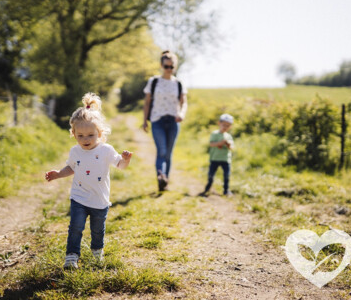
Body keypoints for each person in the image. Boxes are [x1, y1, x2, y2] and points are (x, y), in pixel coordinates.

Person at [45, 92, 133, 269]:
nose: (85, 140)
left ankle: (96, 255)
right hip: (79, 197)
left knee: (97, 230)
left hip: (100, 200)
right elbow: (71, 168)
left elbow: (120, 166)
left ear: (99, 133)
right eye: (81, 136)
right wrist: (57, 174)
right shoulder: (75, 151)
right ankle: (71, 257)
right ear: (74, 133)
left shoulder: (106, 150)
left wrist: (126, 160)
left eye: (90, 135)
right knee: (75, 227)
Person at [142, 50, 188, 192]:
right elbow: (147, 103)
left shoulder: (179, 83)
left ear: (175, 67)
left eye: (171, 67)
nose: (169, 69)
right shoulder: (154, 81)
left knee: (168, 153)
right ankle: (161, 176)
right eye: (166, 66)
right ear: (161, 66)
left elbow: (184, 102)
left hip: (174, 121)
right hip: (157, 120)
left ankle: (164, 181)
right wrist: (144, 121)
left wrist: (181, 113)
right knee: (161, 151)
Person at [199, 114, 235, 197]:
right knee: (211, 175)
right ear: (219, 123)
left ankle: (226, 190)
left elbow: (231, 148)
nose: (225, 127)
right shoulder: (214, 134)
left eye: (227, 125)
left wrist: (228, 144)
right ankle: (207, 188)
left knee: (226, 175)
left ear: (230, 127)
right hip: (214, 158)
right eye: (224, 125)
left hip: (225, 159)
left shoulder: (229, 136)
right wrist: (220, 143)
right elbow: (211, 144)